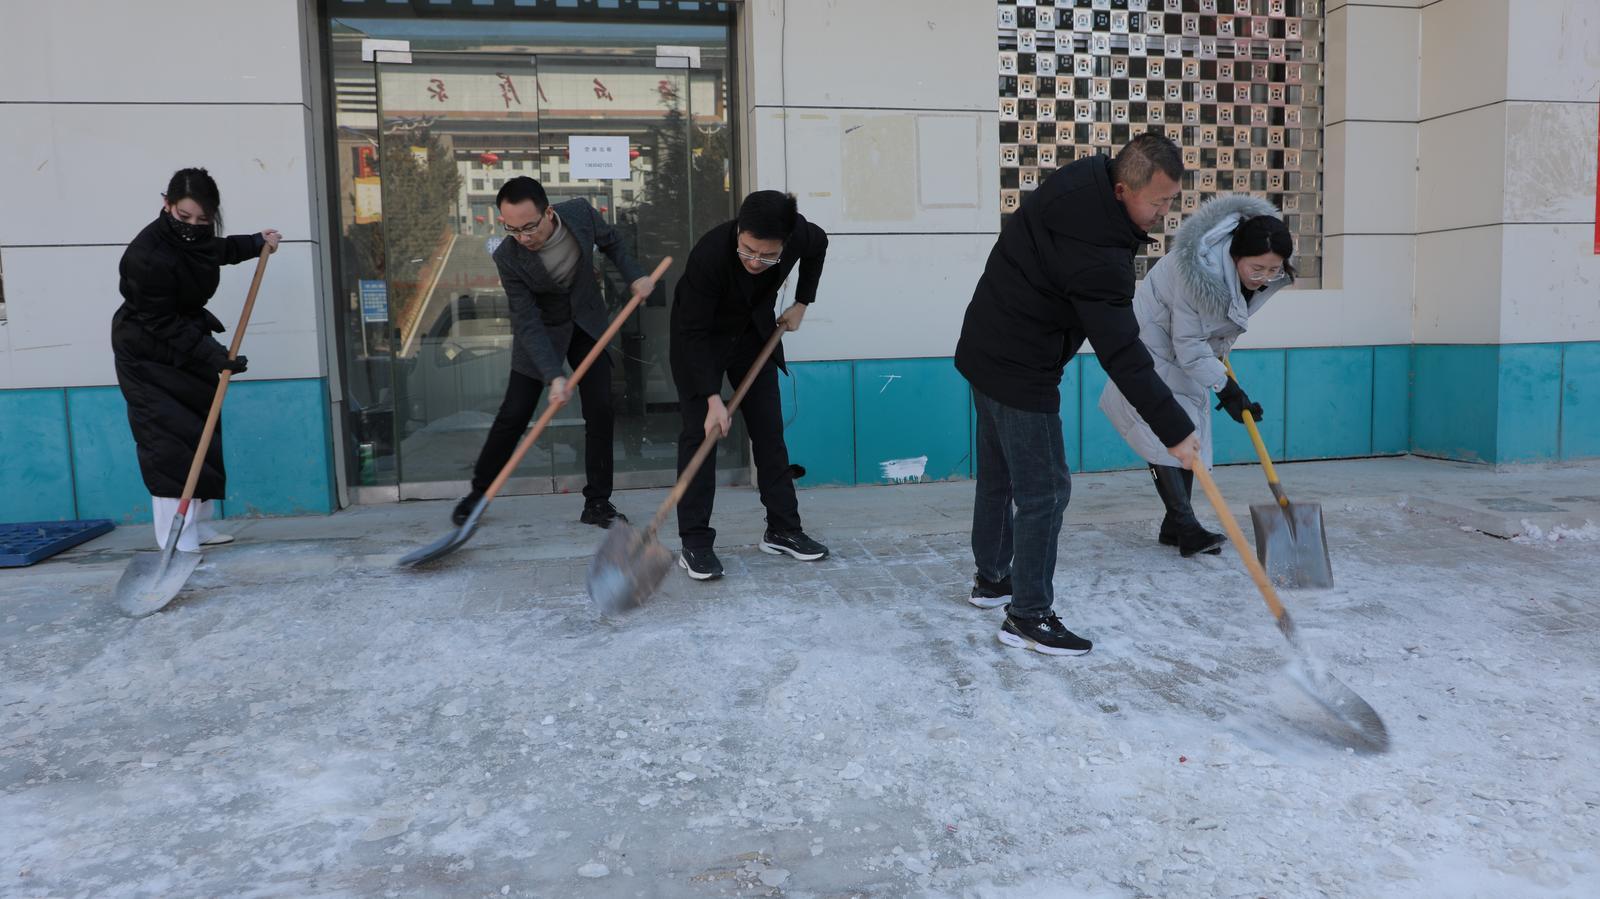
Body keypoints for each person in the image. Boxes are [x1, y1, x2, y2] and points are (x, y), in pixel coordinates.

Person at [954, 133, 1202, 656]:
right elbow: (1123, 352)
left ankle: (993, 578)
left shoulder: (1080, 181)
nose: (1164, 213)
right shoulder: (1098, 254)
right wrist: (1175, 430)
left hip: (984, 344)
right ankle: (1028, 615)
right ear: (1122, 189)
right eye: (1157, 202)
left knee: (1000, 473)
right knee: (1046, 491)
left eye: (1170, 201)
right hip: (1020, 365)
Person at [452, 177, 658, 529]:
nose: (523, 237)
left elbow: (612, 242)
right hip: (542, 334)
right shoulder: (508, 256)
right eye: (512, 229)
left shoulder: (580, 214)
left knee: (601, 408)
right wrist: (554, 375)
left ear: (548, 213)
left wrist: (635, 275)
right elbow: (526, 320)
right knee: (514, 413)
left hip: (587, 323)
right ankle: (478, 494)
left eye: (529, 227)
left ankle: (597, 502)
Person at [1100, 196, 1296, 557]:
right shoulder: (1199, 273)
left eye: (1273, 270)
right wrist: (1226, 388)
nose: (1265, 278)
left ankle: (1175, 525)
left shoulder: (1245, 271)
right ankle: (1185, 525)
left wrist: (1225, 379)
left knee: (1187, 428)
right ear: (1235, 256)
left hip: (1183, 345)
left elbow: (1216, 327)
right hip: (1153, 341)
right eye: (1257, 269)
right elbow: (1189, 344)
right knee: (1166, 429)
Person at [112, 167, 281, 551]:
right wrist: (214, 354)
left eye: (203, 220)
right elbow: (160, 322)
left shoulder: (196, 239)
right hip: (148, 353)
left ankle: (199, 525)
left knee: (200, 434)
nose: (192, 227)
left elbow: (217, 251)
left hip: (185, 343)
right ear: (167, 204)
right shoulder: (146, 255)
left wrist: (256, 242)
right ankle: (177, 540)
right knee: (168, 444)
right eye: (184, 216)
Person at [668, 190, 830, 580]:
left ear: (785, 242)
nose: (756, 261)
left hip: (753, 335)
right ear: (739, 230)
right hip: (702, 341)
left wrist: (802, 302)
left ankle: (783, 529)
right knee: (700, 437)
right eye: (748, 250)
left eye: (767, 256)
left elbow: (819, 244)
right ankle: (695, 543)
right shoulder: (709, 255)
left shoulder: (798, 234)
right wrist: (712, 399)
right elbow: (692, 333)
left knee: (769, 431)